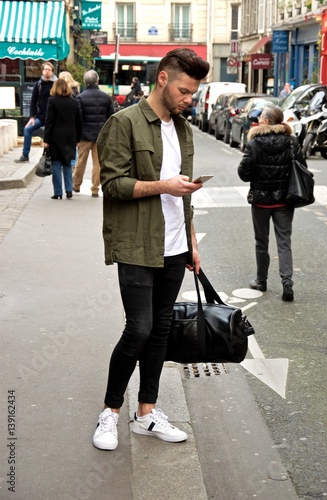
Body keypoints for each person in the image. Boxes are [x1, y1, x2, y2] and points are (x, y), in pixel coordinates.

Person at [93, 48, 210, 451]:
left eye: (193, 94)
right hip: (138, 244)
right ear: (162, 79)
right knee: (139, 328)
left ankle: (146, 412)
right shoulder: (123, 123)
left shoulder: (184, 130)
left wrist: (192, 241)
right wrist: (163, 185)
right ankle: (109, 412)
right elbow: (111, 185)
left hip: (176, 246)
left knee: (160, 331)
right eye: (184, 91)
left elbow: (183, 196)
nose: (188, 100)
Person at [238, 104, 308, 302]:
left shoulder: (254, 143)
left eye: (261, 116)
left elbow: (244, 174)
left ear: (267, 121)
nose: (258, 119)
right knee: (284, 243)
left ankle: (262, 280)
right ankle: (287, 283)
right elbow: (302, 166)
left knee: (262, 242)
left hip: (260, 201)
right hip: (284, 200)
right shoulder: (292, 142)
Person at [72, 70, 114, 197]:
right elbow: (110, 117)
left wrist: (77, 137)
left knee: (81, 161)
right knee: (98, 163)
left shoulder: (80, 97)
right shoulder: (106, 97)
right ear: (97, 81)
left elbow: (78, 118)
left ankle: (76, 185)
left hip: (84, 135)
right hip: (100, 136)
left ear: (85, 82)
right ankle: (95, 188)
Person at [43, 79, 82, 200]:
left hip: (55, 136)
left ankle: (58, 192)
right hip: (70, 137)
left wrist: (46, 139)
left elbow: (49, 122)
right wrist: (78, 139)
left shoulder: (52, 101)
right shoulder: (74, 102)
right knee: (67, 163)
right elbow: (79, 122)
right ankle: (69, 190)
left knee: (56, 163)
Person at [15, 62, 57, 163]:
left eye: (49, 70)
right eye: (45, 69)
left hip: (53, 117)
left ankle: (48, 157)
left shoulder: (56, 84)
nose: (47, 71)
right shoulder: (38, 84)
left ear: (52, 72)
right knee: (27, 129)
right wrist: (32, 117)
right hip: (41, 116)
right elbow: (33, 101)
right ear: (42, 71)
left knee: (50, 137)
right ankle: (25, 155)